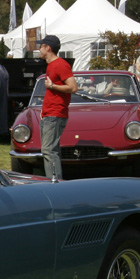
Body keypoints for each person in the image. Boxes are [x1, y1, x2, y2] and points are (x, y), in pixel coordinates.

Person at [37, 35, 78, 180]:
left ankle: (54, 182)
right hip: (50, 113)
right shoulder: (51, 65)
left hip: (55, 113)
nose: (39, 49)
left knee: (49, 150)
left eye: (41, 46)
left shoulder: (60, 64)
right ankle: (55, 180)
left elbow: (73, 87)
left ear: (48, 48)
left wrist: (53, 86)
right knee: (51, 150)